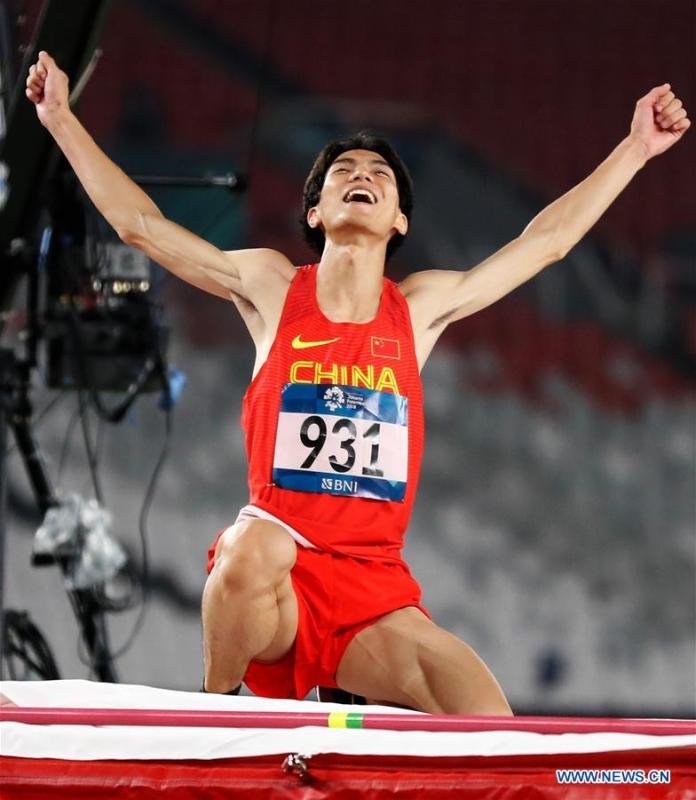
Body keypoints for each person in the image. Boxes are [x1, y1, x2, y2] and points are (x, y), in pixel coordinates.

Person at [26, 51, 689, 714]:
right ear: (315, 212)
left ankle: (343, 687)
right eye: (342, 171)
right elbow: (140, 227)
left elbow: (546, 242)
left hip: (371, 591)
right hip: (274, 582)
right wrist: (60, 119)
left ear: (398, 220)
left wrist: (634, 149)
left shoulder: (421, 308)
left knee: (489, 724)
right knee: (251, 545)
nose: (361, 176)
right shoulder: (272, 286)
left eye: (378, 174)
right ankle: (218, 716)